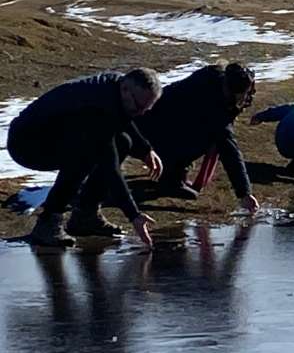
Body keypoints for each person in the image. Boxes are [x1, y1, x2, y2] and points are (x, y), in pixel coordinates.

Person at [5, 69, 164, 247]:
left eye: (146, 109)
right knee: (85, 153)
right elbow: (110, 169)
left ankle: (85, 216)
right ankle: (48, 222)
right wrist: (134, 215)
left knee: (123, 142)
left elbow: (124, 118)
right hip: (27, 143)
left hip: (56, 134)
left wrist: (144, 150)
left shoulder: (117, 88)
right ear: (126, 89)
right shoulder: (96, 108)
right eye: (138, 107)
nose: (141, 113)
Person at [136, 62, 260, 213]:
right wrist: (244, 194)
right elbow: (229, 151)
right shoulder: (213, 104)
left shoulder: (214, 78)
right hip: (152, 126)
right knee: (204, 138)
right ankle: (171, 179)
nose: (248, 97)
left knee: (200, 134)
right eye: (245, 93)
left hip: (158, 120)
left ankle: (174, 174)